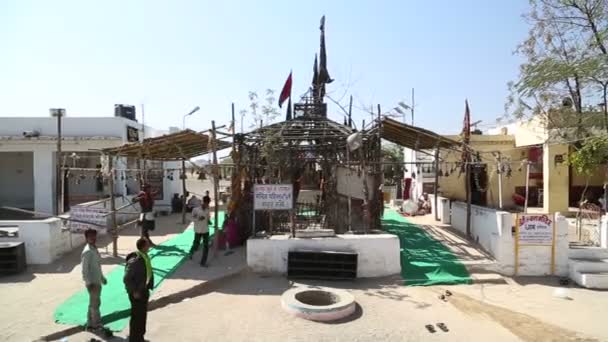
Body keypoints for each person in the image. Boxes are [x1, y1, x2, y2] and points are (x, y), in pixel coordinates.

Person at [124, 238, 154, 342]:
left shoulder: (144, 256)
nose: (149, 246)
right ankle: (134, 339)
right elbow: (127, 278)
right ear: (143, 247)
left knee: (142, 316)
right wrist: (134, 291)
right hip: (137, 293)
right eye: (147, 245)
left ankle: (140, 338)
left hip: (143, 290)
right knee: (137, 317)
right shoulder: (135, 260)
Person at [81, 229, 110, 336]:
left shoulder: (94, 249)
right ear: (86, 238)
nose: (93, 238)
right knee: (95, 304)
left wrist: (102, 278)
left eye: (94, 236)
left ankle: (89, 324)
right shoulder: (87, 251)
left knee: (92, 304)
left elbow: (97, 266)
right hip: (92, 283)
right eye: (90, 237)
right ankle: (96, 325)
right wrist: (89, 283)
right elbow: (84, 270)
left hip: (97, 280)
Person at [189, 196, 212, 267]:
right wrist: (199, 218)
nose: (207, 205)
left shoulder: (208, 210)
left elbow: (208, 218)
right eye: (206, 203)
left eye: (208, 203)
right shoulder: (195, 210)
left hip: (205, 230)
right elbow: (192, 218)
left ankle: (203, 262)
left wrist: (209, 221)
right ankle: (191, 253)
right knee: (196, 244)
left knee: (206, 246)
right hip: (198, 230)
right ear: (203, 202)